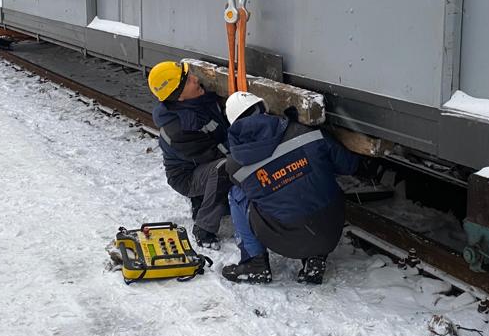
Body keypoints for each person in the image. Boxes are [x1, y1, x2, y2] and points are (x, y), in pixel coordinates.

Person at [221, 91, 360, 284]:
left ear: (233, 125)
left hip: (283, 240)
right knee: (316, 181)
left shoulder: (235, 164)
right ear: (264, 109)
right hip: (329, 232)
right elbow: (349, 166)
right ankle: (316, 258)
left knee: (237, 194)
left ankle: (256, 263)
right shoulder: (306, 132)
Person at [147, 61, 230, 248]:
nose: (195, 78)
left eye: (190, 74)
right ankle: (204, 227)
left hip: (197, 165)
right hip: (186, 178)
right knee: (225, 168)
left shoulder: (195, 100)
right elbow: (218, 153)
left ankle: (202, 201)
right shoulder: (182, 128)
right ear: (179, 97)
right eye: (188, 81)